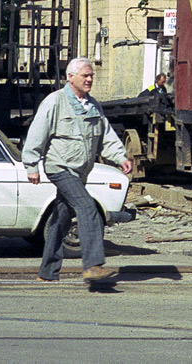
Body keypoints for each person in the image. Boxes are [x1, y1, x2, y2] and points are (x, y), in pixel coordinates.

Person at [21, 57, 133, 283]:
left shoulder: (93, 105)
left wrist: (120, 157)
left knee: (61, 218)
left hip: (80, 172)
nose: (90, 79)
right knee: (87, 206)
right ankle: (93, 265)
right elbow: (36, 134)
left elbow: (106, 136)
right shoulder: (55, 102)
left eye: (91, 75)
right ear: (70, 77)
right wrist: (31, 165)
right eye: (85, 75)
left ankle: (47, 272)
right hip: (59, 167)